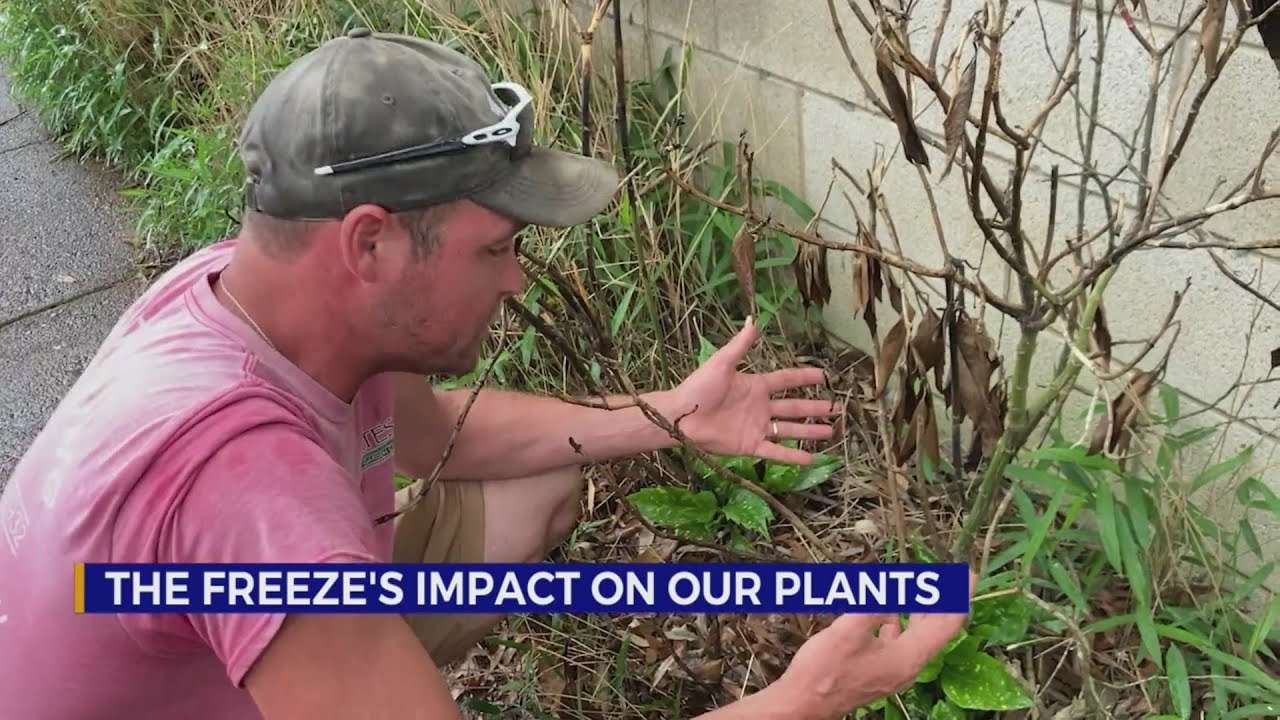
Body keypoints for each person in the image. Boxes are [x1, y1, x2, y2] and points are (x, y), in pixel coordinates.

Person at [0, 28, 975, 719]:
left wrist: (670, 415)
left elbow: (433, 438)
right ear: (371, 243)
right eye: (495, 249)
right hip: (249, 626)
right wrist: (810, 697)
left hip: (226, 636)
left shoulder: (254, 296)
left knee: (532, 475)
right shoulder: (250, 497)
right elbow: (264, 528)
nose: (516, 277)